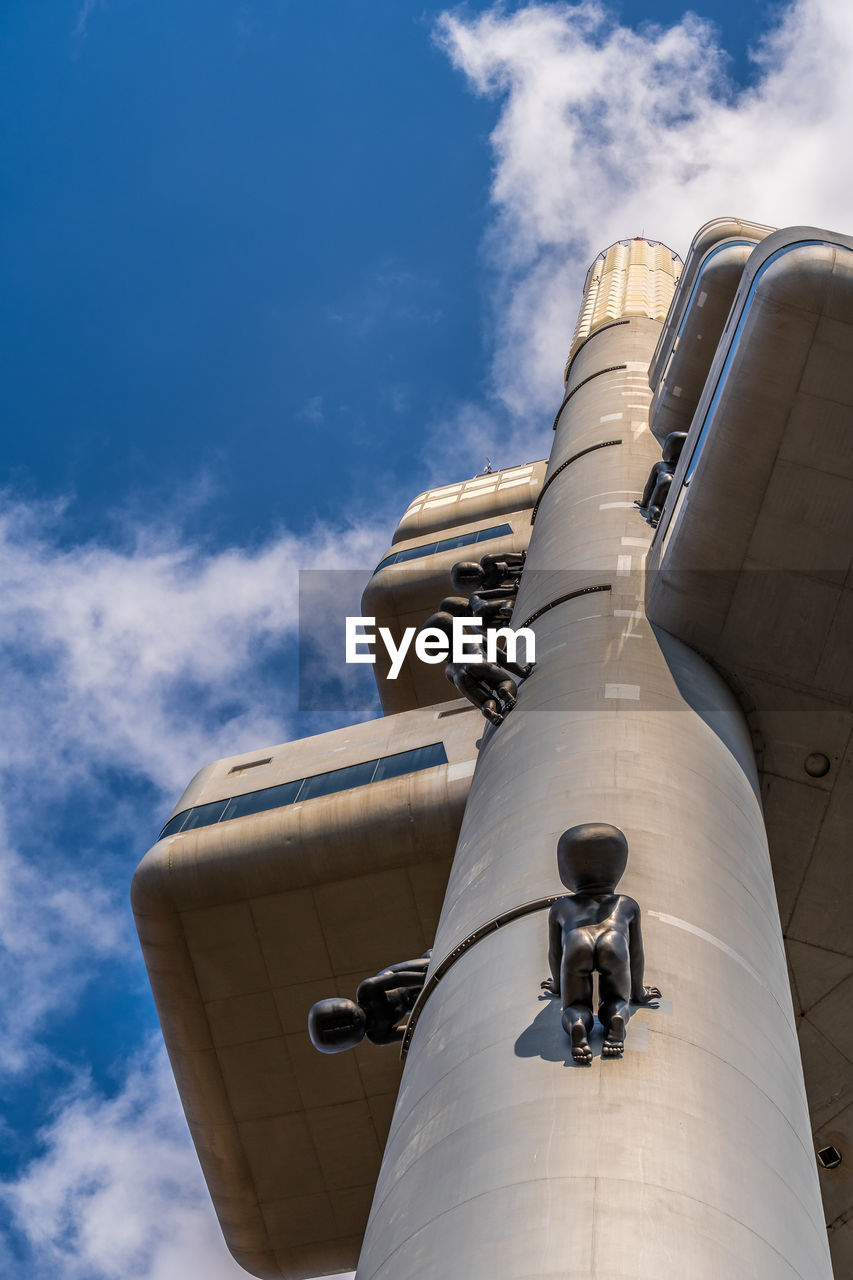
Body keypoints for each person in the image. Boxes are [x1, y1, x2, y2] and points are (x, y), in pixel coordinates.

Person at [540, 824, 661, 1063]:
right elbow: (636, 955)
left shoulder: (561, 907)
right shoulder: (626, 905)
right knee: (617, 999)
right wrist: (638, 992)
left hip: (577, 941)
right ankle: (615, 1021)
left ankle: (576, 1023)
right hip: (613, 941)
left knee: (574, 1004)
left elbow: (555, 953)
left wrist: (557, 987)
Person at [308, 953, 431, 1053]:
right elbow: (409, 1032)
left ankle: (430, 959)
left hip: (405, 976)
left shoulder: (366, 991)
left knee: (430, 962)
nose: (342, 1025)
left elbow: (398, 978)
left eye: (339, 1021)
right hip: (410, 1003)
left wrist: (427, 978)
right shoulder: (377, 1036)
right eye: (340, 1026)